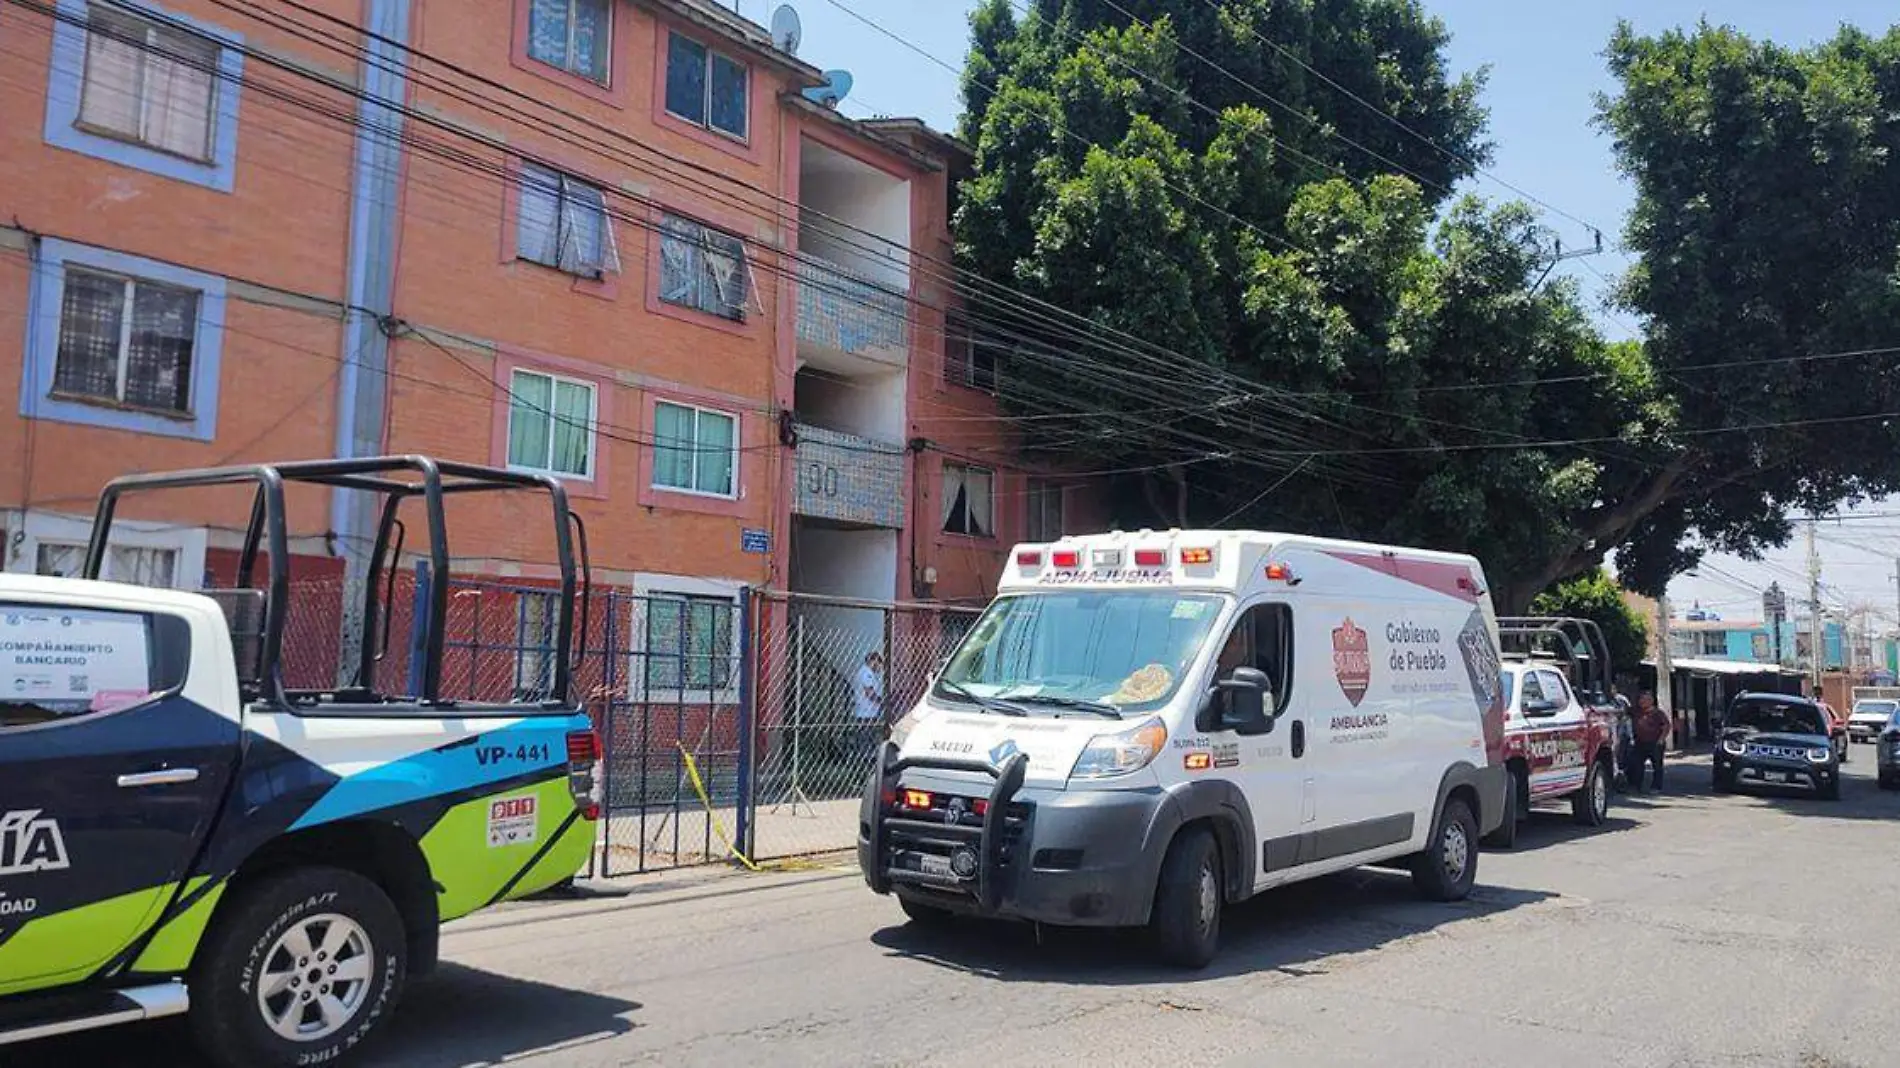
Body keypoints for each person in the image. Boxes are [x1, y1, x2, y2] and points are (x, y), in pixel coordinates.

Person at [1629, 691, 1670, 793]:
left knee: (1657, 766)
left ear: (1651, 701)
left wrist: (1661, 739)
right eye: (1641, 699)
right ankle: (1636, 786)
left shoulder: (1658, 713)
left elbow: (1666, 726)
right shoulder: (1636, 711)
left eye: (1645, 700)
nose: (1642, 702)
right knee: (1636, 764)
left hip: (1655, 743)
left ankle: (1656, 787)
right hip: (1640, 742)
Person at [852, 651, 885, 762]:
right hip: (866, 712)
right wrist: (882, 702)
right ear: (873, 661)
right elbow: (869, 693)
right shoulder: (866, 673)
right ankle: (865, 759)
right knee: (866, 737)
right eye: (879, 664)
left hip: (868, 711)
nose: (879, 668)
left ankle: (865, 758)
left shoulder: (867, 673)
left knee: (867, 737)